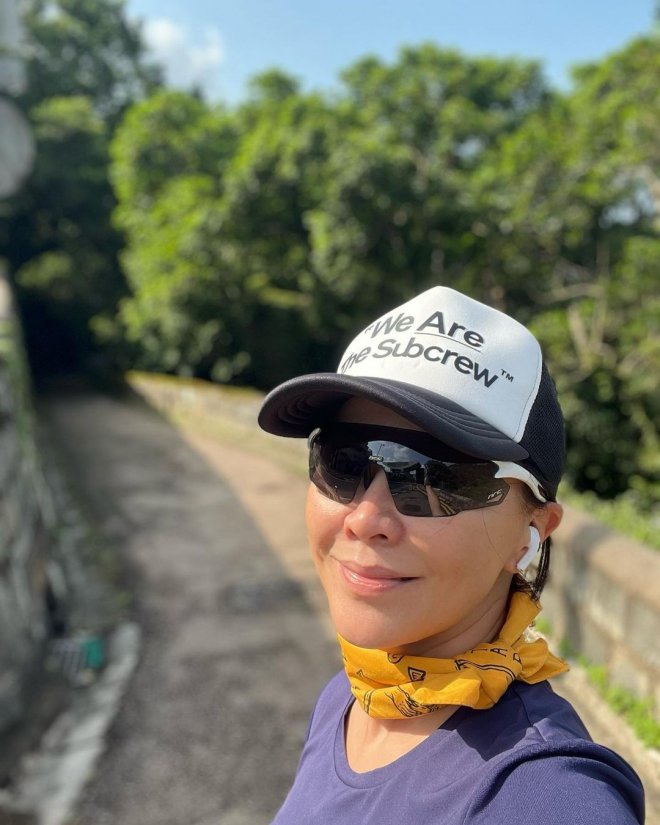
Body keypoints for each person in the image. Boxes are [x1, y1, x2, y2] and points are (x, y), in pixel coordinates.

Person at [257, 285, 645, 824]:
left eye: (434, 479)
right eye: (340, 461)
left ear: (531, 530)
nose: (365, 519)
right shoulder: (354, 692)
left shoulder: (545, 794)